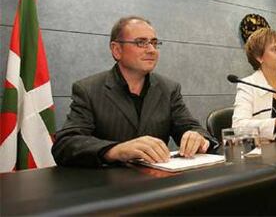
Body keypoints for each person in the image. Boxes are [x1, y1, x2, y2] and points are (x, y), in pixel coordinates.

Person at [52, 16, 218, 167]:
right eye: (141, 42)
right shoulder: (88, 90)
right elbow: (66, 144)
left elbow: (193, 128)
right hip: (109, 189)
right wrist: (116, 150)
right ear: (116, 50)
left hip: (158, 186)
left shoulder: (169, 89)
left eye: (154, 43)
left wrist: (198, 137)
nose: (152, 50)